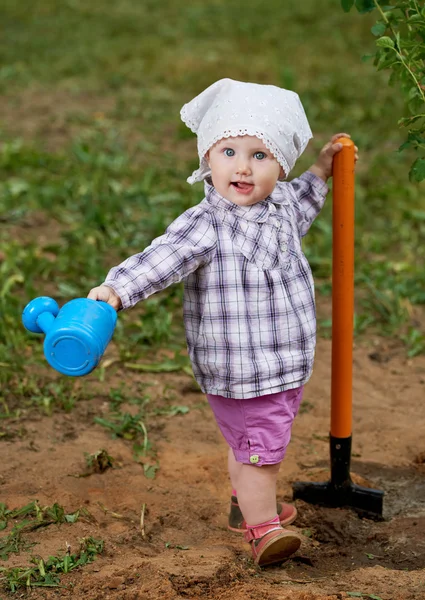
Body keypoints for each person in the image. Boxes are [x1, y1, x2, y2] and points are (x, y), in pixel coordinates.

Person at [88, 78, 357, 567]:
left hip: (285, 362)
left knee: (252, 443)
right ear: (206, 158)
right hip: (242, 369)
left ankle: (245, 502)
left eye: (260, 155)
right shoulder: (207, 223)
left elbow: (306, 198)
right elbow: (162, 257)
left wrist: (322, 170)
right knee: (263, 452)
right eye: (228, 150)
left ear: (280, 164)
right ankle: (262, 529)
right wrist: (117, 289)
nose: (241, 166)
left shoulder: (280, 206)